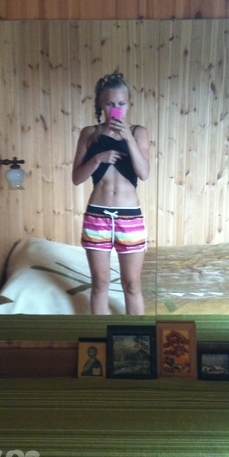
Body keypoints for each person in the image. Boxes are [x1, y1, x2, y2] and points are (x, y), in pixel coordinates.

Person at [72, 72, 150, 315]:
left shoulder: (138, 132)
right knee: (99, 284)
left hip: (130, 216)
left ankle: (137, 335)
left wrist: (128, 138)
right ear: (100, 105)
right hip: (97, 215)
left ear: (129, 104)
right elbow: (77, 178)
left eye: (122, 103)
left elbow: (144, 173)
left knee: (132, 284)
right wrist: (97, 159)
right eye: (110, 103)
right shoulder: (89, 133)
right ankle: (101, 335)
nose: (116, 109)